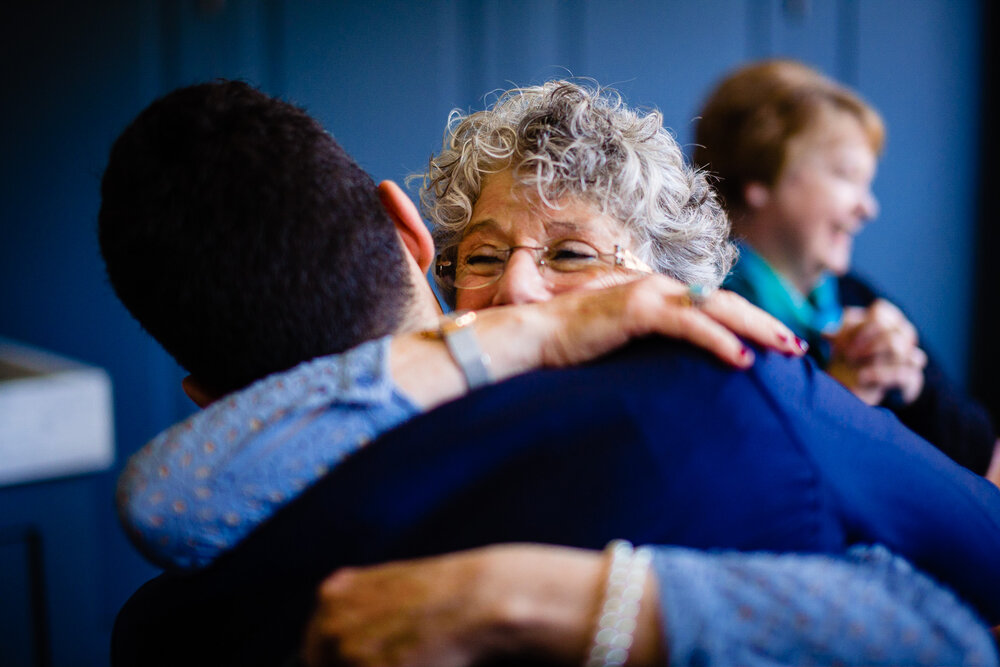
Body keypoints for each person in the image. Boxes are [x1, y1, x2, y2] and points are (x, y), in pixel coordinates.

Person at [101, 81, 1000, 667]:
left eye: (571, 254)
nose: (522, 286)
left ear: (678, 292)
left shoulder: (733, 390)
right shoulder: (366, 431)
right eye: (483, 257)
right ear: (429, 259)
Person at [693, 58, 999, 478]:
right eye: (846, 176)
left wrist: (914, 385)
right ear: (759, 173)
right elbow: (723, 472)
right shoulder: (699, 303)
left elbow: (981, 452)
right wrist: (836, 396)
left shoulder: (860, 297)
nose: (868, 208)